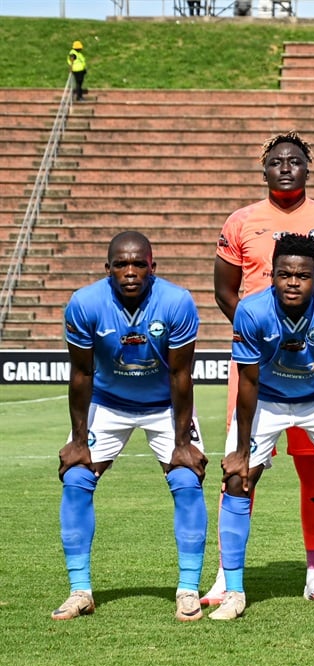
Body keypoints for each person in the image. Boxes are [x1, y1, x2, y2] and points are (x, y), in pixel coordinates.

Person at [206, 131, 314, 608]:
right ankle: (224, 577)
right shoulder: (241, 221)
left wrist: (302, 341)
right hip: (257, 370)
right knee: (241, 470)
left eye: (295, 161)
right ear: (264, 168)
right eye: (277, 161)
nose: (286, 167)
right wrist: (266, 337)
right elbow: (226, 292)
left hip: (313, 373)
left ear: (309, 168)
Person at [210, 234, 314, 621]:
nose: (293, 282)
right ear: (272, 275)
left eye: (303, 275)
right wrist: (242, 447)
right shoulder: (251, 311)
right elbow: (247, 384)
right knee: (237, 478)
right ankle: (233, 591)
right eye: (284, 274)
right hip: (266, 398)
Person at [53, 231, 208, 622]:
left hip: (164, 405)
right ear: (107, 269)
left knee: (187, 480)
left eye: (139, 264)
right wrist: (77, 439)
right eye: (121, 264)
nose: (130, 272)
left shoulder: (176, 302)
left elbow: (181, 375)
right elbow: (82, 373)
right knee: (75, 478)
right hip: (108, 403)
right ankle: (80, 591)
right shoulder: (85, 303)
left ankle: (188, 590)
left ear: (152, 267)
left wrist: (181, 441)